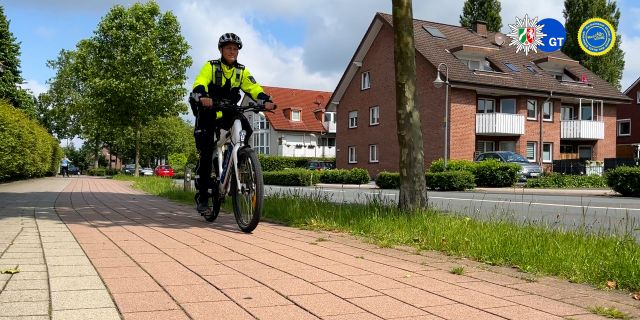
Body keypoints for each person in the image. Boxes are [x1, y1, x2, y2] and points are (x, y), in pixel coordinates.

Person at [189, 32, 271, 214]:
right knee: (206, 150)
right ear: (221, 50)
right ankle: (203, 197)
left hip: (229, 112)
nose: (232, 51)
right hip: (209, 111)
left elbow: (253, 88)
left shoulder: (241, 71)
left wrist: (264, 99)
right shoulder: (211, 67)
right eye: (228, 48)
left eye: (235, 49)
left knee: (246, 129)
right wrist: (202, 95)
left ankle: (239, 162)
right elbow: (200, 82)